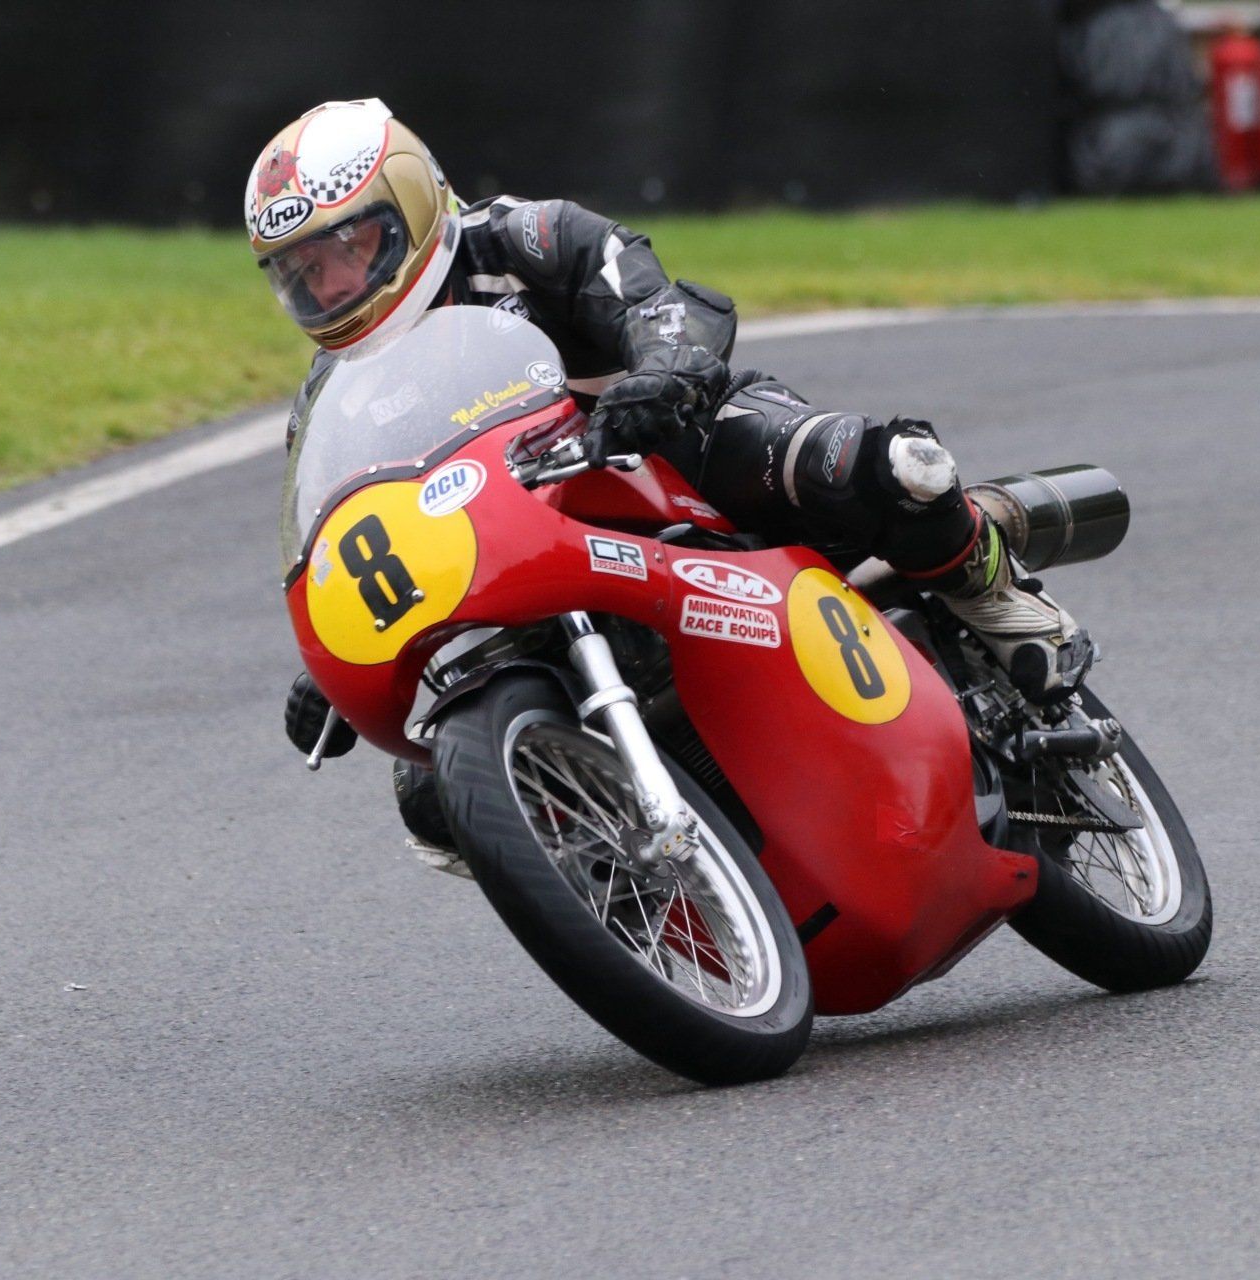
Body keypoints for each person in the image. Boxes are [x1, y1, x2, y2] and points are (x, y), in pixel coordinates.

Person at [251, 100, 1094, 791]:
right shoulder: (335, 390)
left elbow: (657, 301)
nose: (329, 286)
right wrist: (339, 661)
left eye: (346, 249)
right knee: (431, 788)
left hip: (675, 444)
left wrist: (663, 375)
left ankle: (990, 591)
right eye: (303, 272)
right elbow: (351, 524)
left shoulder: (525, 238)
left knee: (887, 467)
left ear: (409, 205)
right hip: (528, 535)